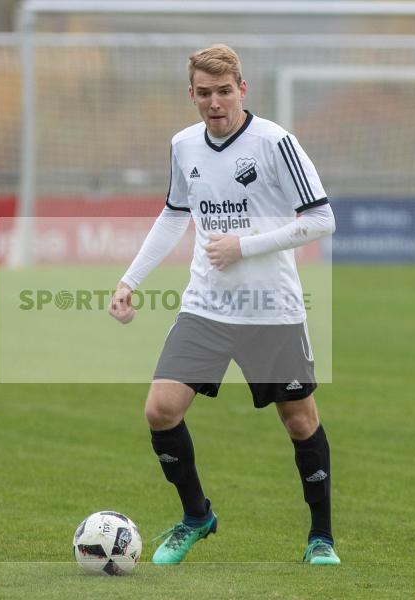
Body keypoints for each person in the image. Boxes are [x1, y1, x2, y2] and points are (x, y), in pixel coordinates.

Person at [108, 45, 338, 566]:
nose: (215, 102)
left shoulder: (276, 143)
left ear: (242, 89)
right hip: (206, 305)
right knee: (160, 410)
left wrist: (243, 245)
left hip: (271, 308)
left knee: (299, 421)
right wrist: (130, 279)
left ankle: (320, 537)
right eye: (204, 93)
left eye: (225, 91)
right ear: (191, 94)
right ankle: (196, 517)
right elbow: (173, 215)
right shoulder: (184, 145)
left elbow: (322, 219)